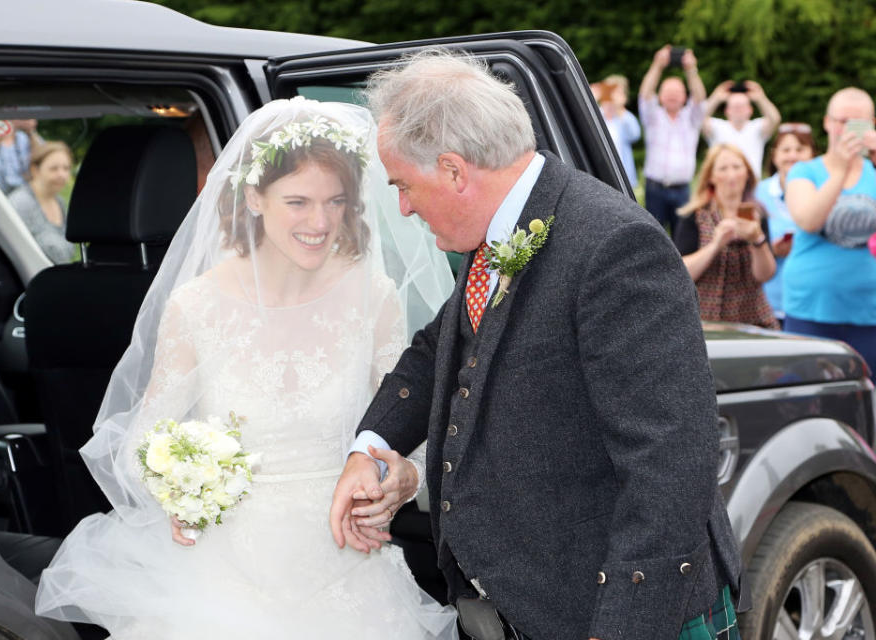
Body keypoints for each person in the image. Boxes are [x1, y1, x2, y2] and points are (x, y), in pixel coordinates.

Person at [330, 50, 741, 640]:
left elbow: (670, 463)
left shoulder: (615, 246)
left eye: (404, 185)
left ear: (452, 169)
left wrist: (624, 627)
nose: (404, 207)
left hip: (615, 614)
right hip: (528, 607)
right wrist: (368, 447)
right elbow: (440, 348)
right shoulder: (501, 226)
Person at [35, 97, 459, 638]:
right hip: (221, 578)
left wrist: (399, 480)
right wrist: (183, 491)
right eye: (298, 202)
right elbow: (144, 443)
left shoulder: (374, 298)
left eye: (336, 202)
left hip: (348, 568)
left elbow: (411, 431)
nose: (320, 222)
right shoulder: (197, 306)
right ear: (255, 197)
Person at [784, 87, 876, 377]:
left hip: (869, 312)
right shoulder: (805, 171)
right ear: (826, 123)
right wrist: (839, 171)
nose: (848, 131)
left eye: (858, 123)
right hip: (812, 308)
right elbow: (808, 219)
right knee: (809, 396)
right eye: (842, 122)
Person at [674, 144, 778, 329]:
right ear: (711, 177)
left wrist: (757, 240)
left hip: (753, 320)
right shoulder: (695, 216)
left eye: (737, 167)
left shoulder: (757, 214)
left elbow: (765, 275)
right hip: (705, 321)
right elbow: (681, 273)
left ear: (747, 173)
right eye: (723, 168)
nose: (731, 175)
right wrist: (715, 245)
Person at [638, 44, 707, 232]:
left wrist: (691, 70)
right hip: (655, 189)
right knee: (653, 236)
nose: (672, 96)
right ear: (660, 96)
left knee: (683, 238)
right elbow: (644, 95)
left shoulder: (691, 119)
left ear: (685, 96)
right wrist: (657, 65)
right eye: (668, 92)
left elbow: (700, 99)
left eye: (677, 92)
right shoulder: (653, 117)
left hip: (682, 189)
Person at [754, 123, 816, 324]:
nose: (793, 156)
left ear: (813, 155)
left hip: (812, 302)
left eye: (800, 149)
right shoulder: (756, 194)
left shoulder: (825, 193)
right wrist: (770, 250)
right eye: (786, 150)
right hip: (769, 302)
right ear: (774, 155)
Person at [7, 141, 76, 264]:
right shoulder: (20, 203)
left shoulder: (60, 202)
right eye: (54, 169)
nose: (62, 175)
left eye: (66, 168)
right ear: (35, 170)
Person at [703, 80, 781, 179]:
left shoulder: (757, 127)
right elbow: (698, 118)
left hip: (751, 184)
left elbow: (775, 119)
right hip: (722, 182)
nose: (739, 110)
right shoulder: (717, 127)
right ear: (727, 111)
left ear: (750, 110)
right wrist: (716, 98)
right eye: (735, 106)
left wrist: (761, 98)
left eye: (742, 106)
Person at [595, 74, 640, 189]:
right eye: (610, 91)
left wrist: (620, 109)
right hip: (600, 177)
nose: (613, 96)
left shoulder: (624, 118)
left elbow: (635, 135)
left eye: (618, 93)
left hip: (623, 178)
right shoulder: (596, 115)